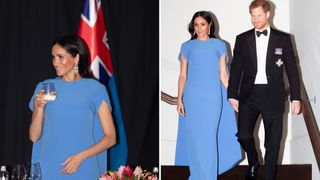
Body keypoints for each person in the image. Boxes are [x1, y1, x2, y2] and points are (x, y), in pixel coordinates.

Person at [227, 0, 301, 180]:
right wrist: (232, 95)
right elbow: (236, 68)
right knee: (243, 135)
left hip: (273, 97)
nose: (255, 19)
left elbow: (292, 70)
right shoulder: (242, 39)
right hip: (249, 96)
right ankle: (253, 161)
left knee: (273, 142)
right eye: (252, 15)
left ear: (268, 14)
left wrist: (296, 98)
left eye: (259, 15)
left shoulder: (283, 39)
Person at [29, 35, 116, 179]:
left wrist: (81, 157)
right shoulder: (44, 87)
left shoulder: (96, 89)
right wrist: (39, 108)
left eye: (60, 57)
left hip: (84, 166)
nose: (55, 62)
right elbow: (34, 136)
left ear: (76, 58)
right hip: (49, 168)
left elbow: (111, 138)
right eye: (53, 57)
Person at [175, 11, 242, 180]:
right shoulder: (186, 46)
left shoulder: (219, 45)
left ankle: (209, 177)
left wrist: (233, 97)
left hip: (212, 98)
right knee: (194, 138)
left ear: (210, 25)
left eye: (202, 24)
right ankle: (196, 175)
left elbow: (224, 76)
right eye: (196, 25)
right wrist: (179, 99)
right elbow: (183, 75)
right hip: (192, 97)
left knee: (209, 137)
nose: (199, 28)